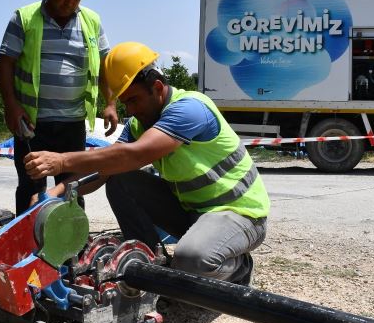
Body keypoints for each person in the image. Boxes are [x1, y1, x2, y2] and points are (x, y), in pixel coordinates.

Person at [24, 42, 270, 285]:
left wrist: (62, 160)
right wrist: (56, 192)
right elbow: (106, 167)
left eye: (134, 100)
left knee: (191, 260)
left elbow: (136, 154)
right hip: (194, 213)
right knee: (118, 176)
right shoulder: (138, 124)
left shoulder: (190, 108)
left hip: (240, 214)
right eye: (124, 103)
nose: (129, 111)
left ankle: (239, 268)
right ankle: (151, 265)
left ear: (158, 88)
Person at [0, 0, 118, 215]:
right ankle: (28, 249)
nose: (70, 2)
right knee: (31, 187)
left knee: (73, 188)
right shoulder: (24, 18)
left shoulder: (92, 22)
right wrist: (11, 106)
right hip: (31, 124)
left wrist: (111, 103)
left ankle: (72, 250)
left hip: (73, 124)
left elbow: (106, 66)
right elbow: (5, 64)